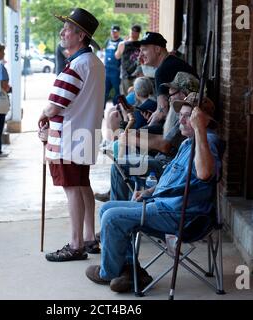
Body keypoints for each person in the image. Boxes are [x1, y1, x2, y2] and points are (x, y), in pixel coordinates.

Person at [86, 92, 221, 293]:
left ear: (201, 120)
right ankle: (131, 271)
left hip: (183, 216)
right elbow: (173, 179)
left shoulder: (208, 141)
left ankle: (109, 273)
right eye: (181, 115)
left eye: (188, 116)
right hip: (164, 205)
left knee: (113, 218)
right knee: (108, 209)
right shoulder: (187, 143)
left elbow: (205, 173)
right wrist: (149, 191)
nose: (181, 120)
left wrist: (200, 129)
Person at [38, 8, 105, 262]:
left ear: (80, 36)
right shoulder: (94, 64)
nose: (62, 32)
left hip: (69, 138)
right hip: (85, 135)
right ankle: (88, 237)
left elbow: (55, 106)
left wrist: (42, 114)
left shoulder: (76, 66)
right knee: (82, 184)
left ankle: (77, 244)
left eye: (67, 29)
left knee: (72, 188)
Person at [95, 72, 199, 202]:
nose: (168, 98)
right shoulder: (177, 113)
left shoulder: (186, 116)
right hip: (161, 158)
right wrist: (142, 132)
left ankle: (118, 205)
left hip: (167, 164)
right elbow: (164, 137)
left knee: (120, 165)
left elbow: (165, 145)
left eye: (171, 95)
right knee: (126, 155)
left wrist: (133, 138)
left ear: (183, 95)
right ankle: (121, 199)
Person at [138, 32, 197, 127]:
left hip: (185, 125)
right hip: (189, 120)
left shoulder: (162, 70)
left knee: (132, 136)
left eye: (144, 50)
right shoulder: (173, 62)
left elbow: (162, 112)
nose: (140, 55)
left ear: (157, 49)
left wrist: (149, 125)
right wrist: (155, 114)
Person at [115, 25, 142, 95]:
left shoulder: (142, 44)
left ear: (139, 33)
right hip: (126, 75)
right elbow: (117, 56)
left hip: (138, 74)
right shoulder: (123, 44)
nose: (133, 33)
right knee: (127, 98)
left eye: (136, 32)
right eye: (133, 31)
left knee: (137, 97)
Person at [104, 25, 123, 106]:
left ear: (118, 32)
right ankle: (101, 113)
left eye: (115, 32)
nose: (114, 34)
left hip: (116, 71)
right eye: (112, 32)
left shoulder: (121, 42)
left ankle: (116, 111)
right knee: (104, 92)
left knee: (117, 92)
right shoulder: (108, 41)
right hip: (106, 70)